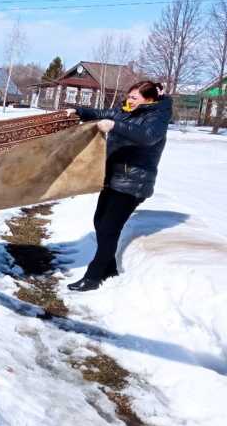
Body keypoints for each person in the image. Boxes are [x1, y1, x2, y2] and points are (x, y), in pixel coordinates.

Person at [65, 81, 172, 291]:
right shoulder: (125, 111)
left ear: (148, 99)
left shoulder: (157, 116)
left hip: (134, 182)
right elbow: (102, 112)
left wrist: (115, 125)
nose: (129, 101)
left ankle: (93, 277)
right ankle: (109, 267)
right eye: (129, 96)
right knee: (100, 222)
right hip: (113, 177)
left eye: (134, 98)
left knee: (109, 227)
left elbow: (147, 136)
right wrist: (78, 111)